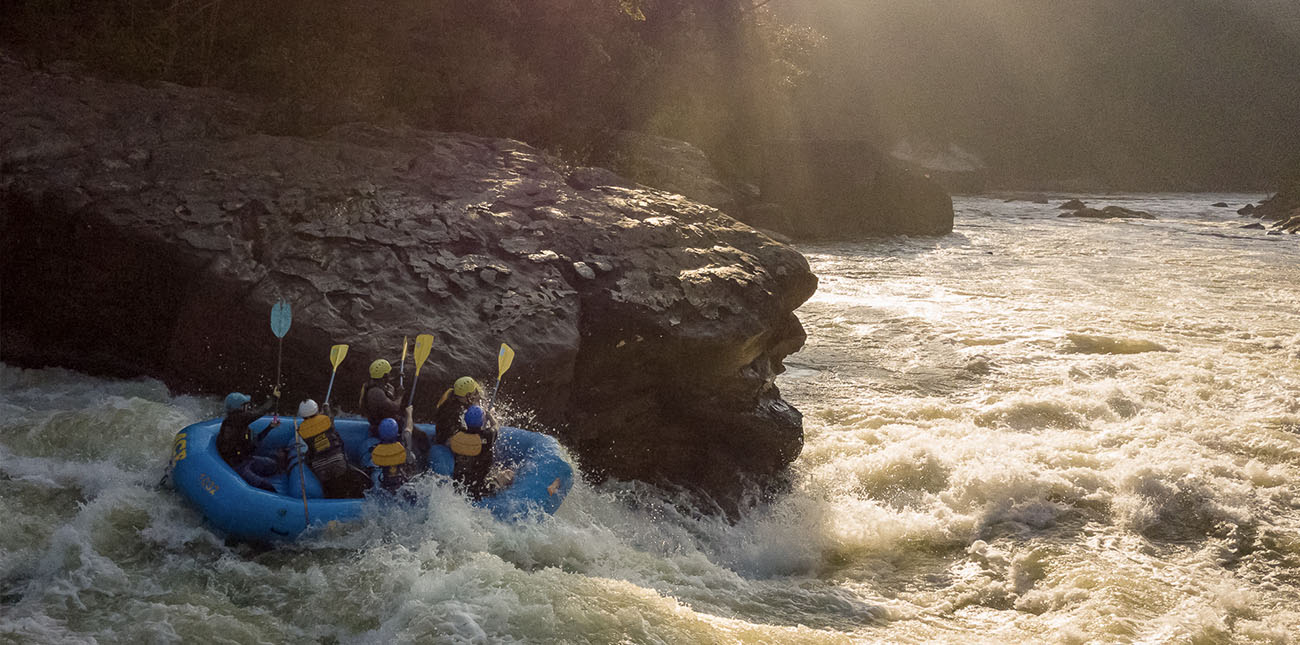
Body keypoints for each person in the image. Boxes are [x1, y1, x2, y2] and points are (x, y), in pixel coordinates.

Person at [295, 399, 370, 499]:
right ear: (316, 411)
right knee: (355, 483)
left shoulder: (301, 431)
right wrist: (326, 407)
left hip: (320, 469)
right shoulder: (327, 420)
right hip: (339, 464)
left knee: (332, 489)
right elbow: (328, 417)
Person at [216, 389, 282, 491]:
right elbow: (260, 412)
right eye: (246, 405)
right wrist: (273, 398)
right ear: (240, 407)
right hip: (238, 467)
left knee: (274, 465)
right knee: (267, 487)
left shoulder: (241, 424)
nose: (248, 407)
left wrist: (270, 427)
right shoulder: (235, 420)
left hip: (247, 459)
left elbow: (254, 443)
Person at [448, 404, 510, 500]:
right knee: (508, 474)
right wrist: (490, 416)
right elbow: (496, 425)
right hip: (479, 488)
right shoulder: (487, 436)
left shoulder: (457, 434)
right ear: (482, 421)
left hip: (459, 484)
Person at [433, 376, 494, 446]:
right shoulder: (453, 410)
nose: (474, 395)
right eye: (473, 394)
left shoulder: (454, 394)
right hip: (447, 438)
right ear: (468, 395)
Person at [369, 415, 417, 494]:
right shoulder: (403, 451)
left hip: (383, 482)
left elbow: (372, 463)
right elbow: (408, 430)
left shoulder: (375, 452)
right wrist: (409, 414)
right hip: (401, 482)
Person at [360, 359, 404, 437]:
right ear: (384, 376)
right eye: (389, 373)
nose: (390, 375)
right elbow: (395, 407)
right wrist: (400, 395)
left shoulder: (376, 383)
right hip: (382, 427)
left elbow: (386, 382)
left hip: (386, 421)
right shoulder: (376, 393)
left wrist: (397, 378)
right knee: (421, 435)